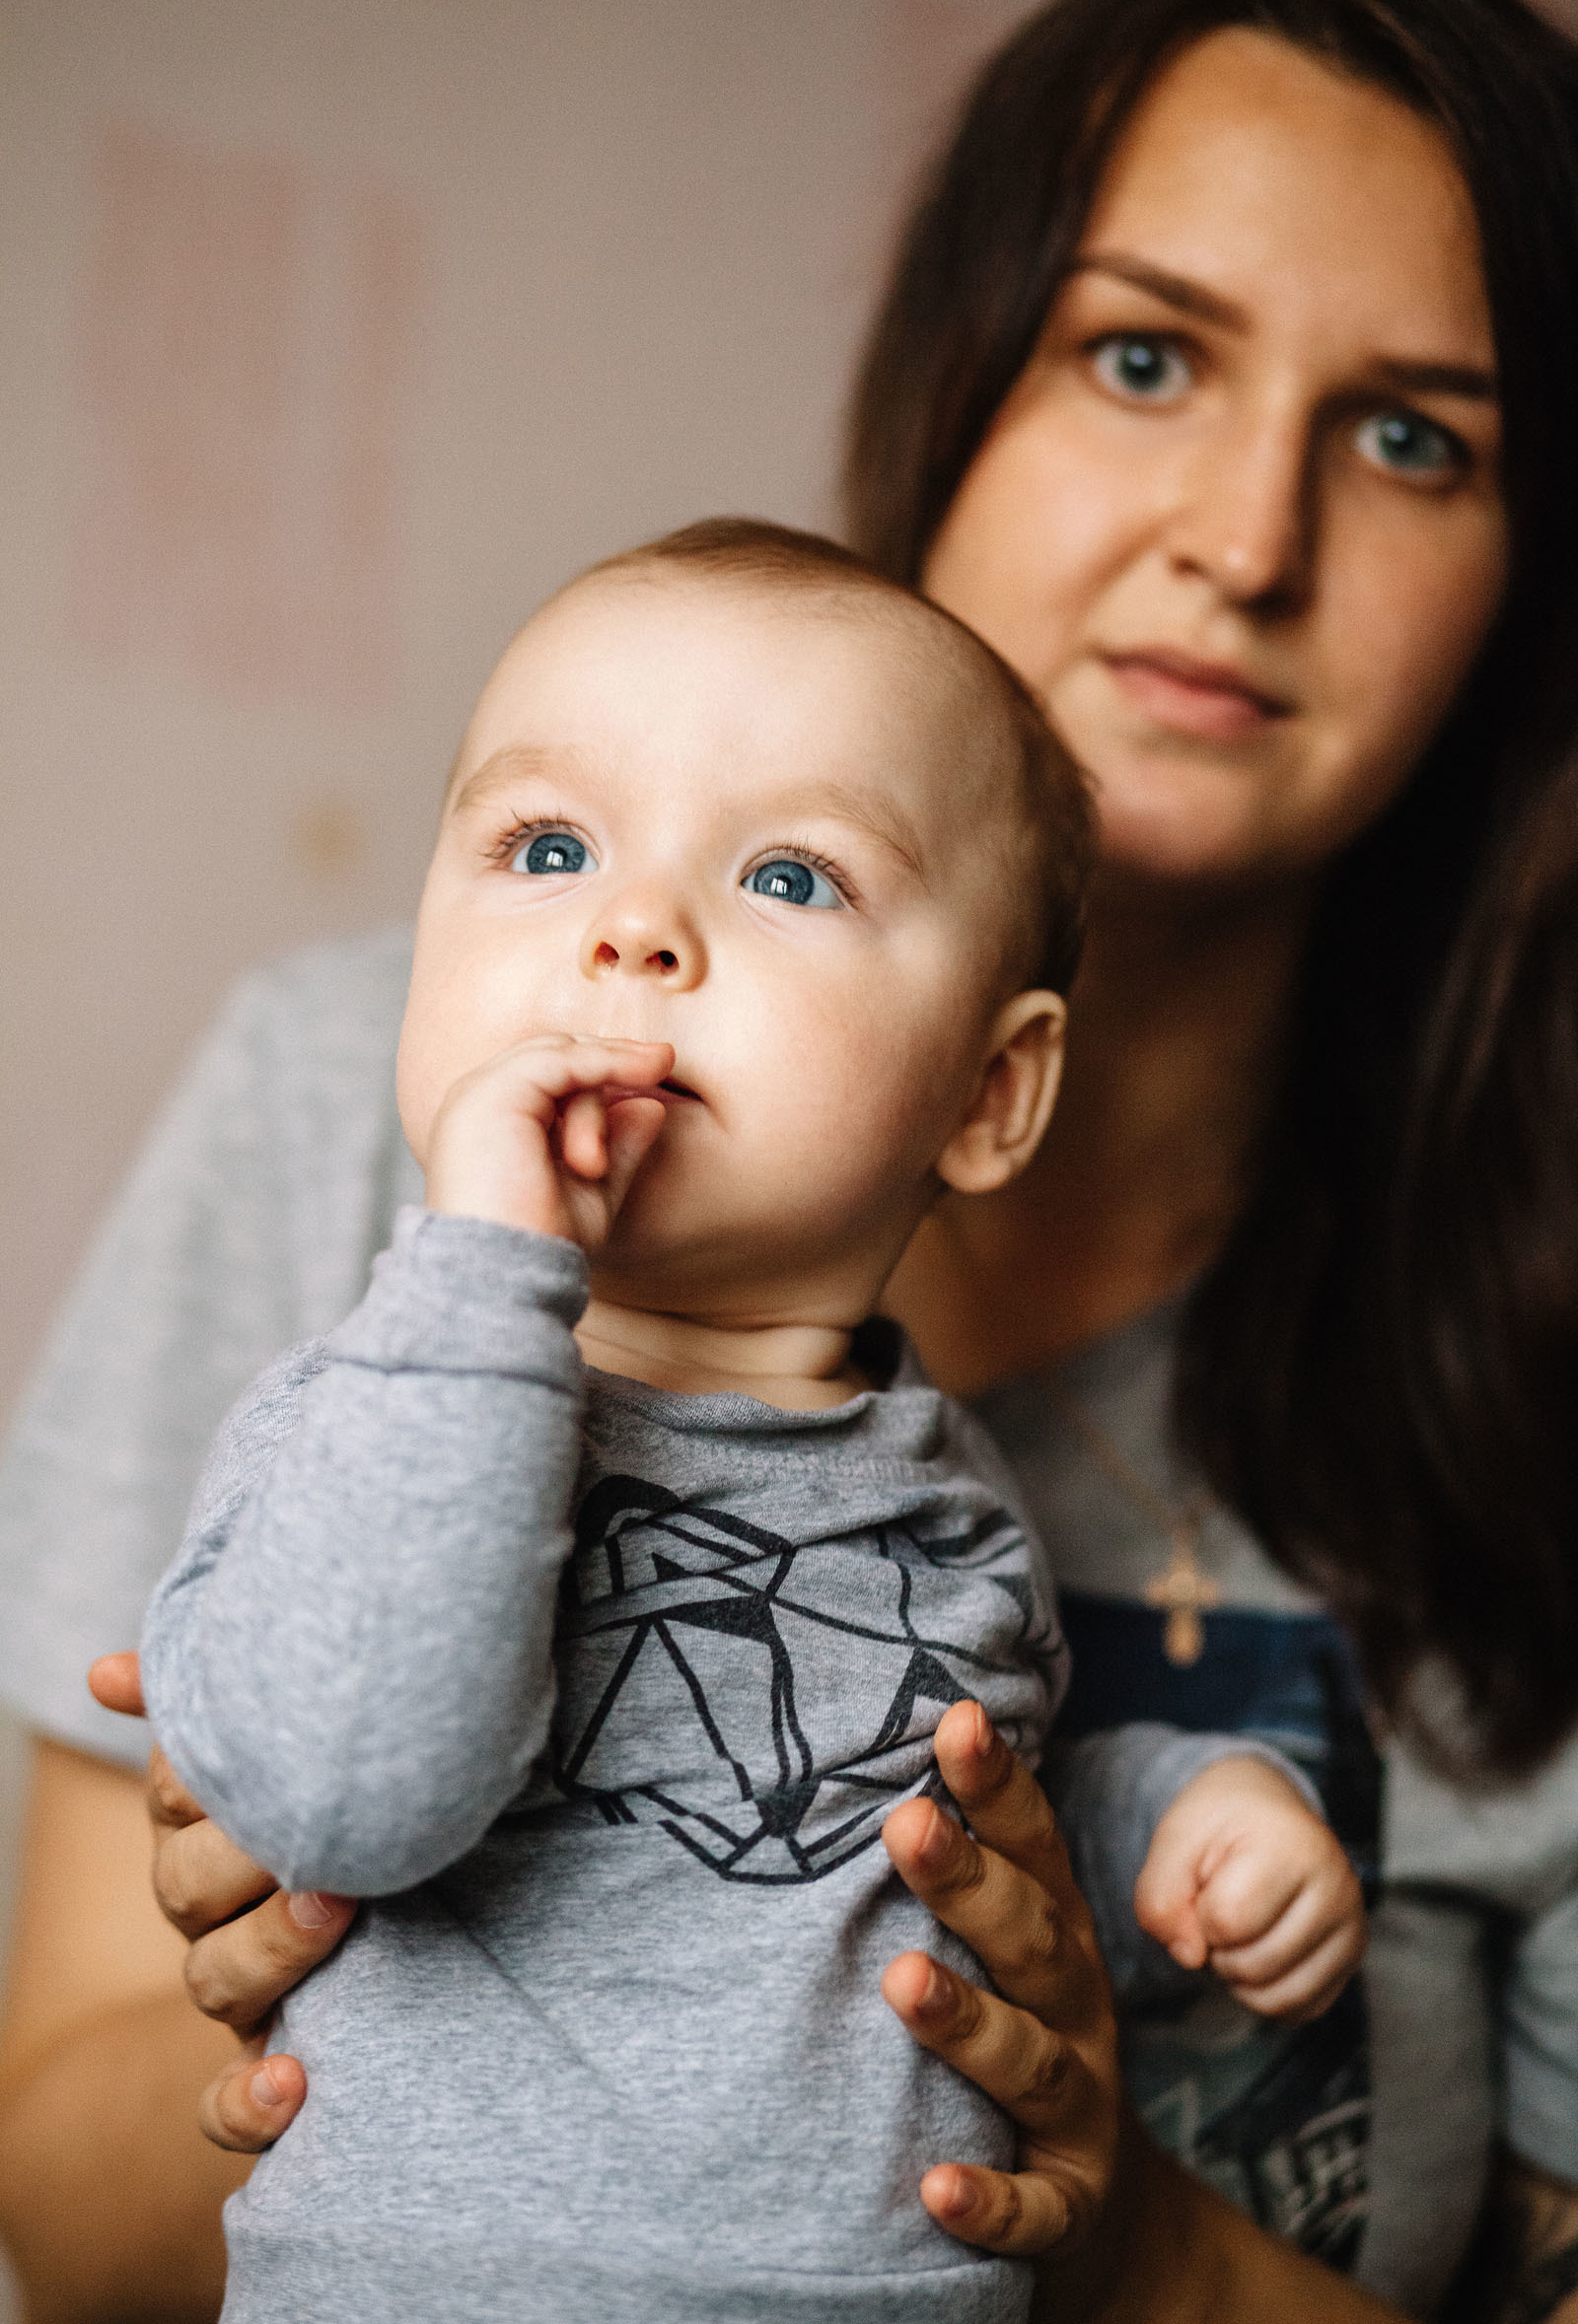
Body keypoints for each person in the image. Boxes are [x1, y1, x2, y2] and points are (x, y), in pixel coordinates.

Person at [3, 0, 1577, 2317]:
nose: (1243, 537)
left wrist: (1120, 2218)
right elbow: (61, 2179)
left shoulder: (1466, 1350)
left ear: (990, 1094)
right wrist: (318, 1967)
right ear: (952, 387)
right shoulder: (390, 1141)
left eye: (1409, 437)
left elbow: (991, 1747)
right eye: (1139, 355)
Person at [137, 518, 1362, 2320]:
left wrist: (1184, 1813)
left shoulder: (942, 1499)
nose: (631, 930)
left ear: (992, 1093)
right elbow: (356, 1800)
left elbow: (936, 1814)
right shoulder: (367, 1407)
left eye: (791, 878)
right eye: (547, 848)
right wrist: (487, 1266)